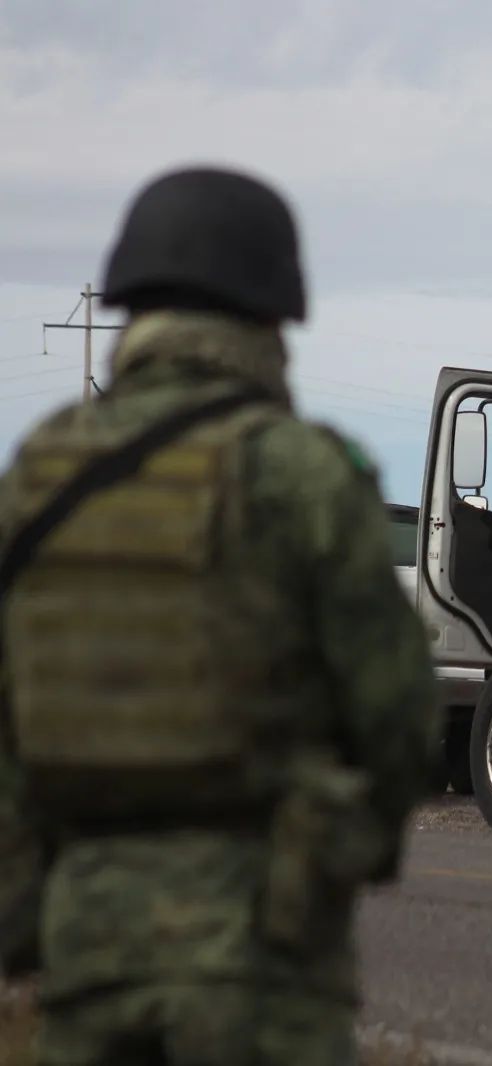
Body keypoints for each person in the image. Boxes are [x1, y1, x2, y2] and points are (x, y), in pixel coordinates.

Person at [0, 166, 439, 1065]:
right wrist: (332, 855)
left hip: (87, 950)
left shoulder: (38, 478)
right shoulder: (304, 474)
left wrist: (27, 914)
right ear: (273, 312)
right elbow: (398, 719)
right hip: (262, 956)